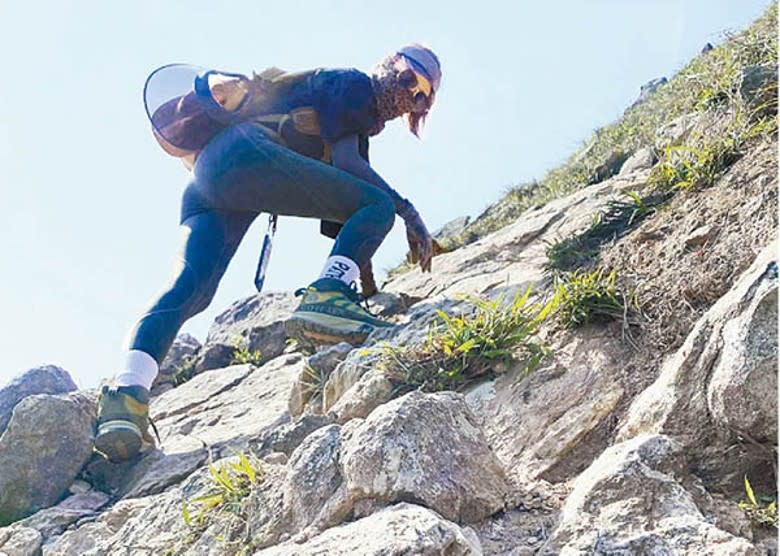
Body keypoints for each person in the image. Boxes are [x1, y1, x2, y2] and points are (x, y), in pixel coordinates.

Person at [94, 44, 442, 462]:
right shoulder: (354, 85)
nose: (409, 96)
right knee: (380, 204)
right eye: (408, 79)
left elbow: (348, 219)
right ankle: (326, 299)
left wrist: (369, 290)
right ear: (388, 64)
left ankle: (125, 399)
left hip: (212, 177)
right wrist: (407, 211)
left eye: (422, 97)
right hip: (243, 155)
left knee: (192, 288)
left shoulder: (351, 124)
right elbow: (357, 181)